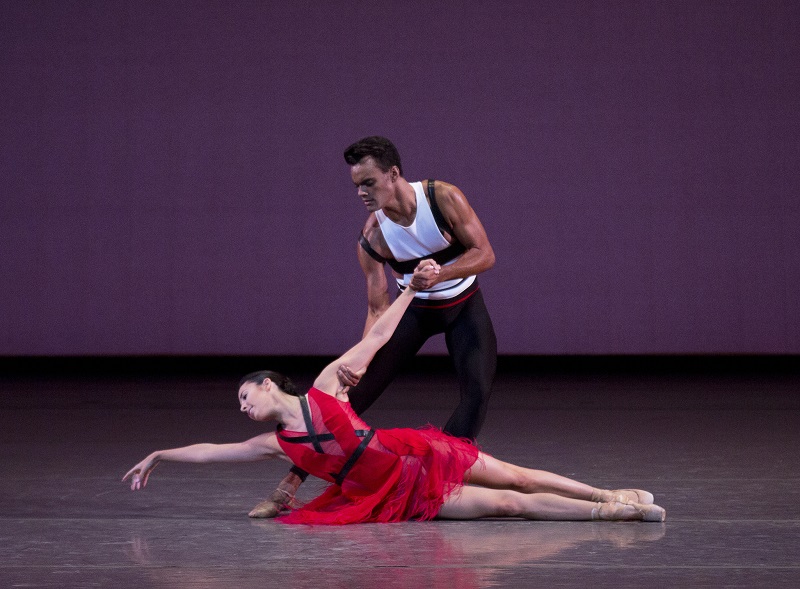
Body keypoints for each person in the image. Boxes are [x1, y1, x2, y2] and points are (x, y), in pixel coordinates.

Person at [124, 267, 665, 525]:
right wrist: (160, 455)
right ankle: (616, 514)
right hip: (398, 493)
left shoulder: (329, 383)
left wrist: (411, 291)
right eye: (239, 405)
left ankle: (604, 491)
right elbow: (210, 452)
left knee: (517, 475)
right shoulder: (275, 443)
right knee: (508, 503)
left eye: (246, 396)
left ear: (269, 385)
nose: (242, 408)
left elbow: (379, 337)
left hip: (416, 452)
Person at [250, 136, 499, 517]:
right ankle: (289, 484)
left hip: (464, 307)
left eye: (368, 183)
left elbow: (485, 254)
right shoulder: (373, 237)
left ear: (393, 174)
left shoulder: (443, 197)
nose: (361, 193)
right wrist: (362, 358)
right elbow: (377, 305)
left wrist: (442, 274)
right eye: (356, 186)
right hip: (413, 312)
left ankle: (440, 477)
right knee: (351, 395)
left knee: (477, 392)